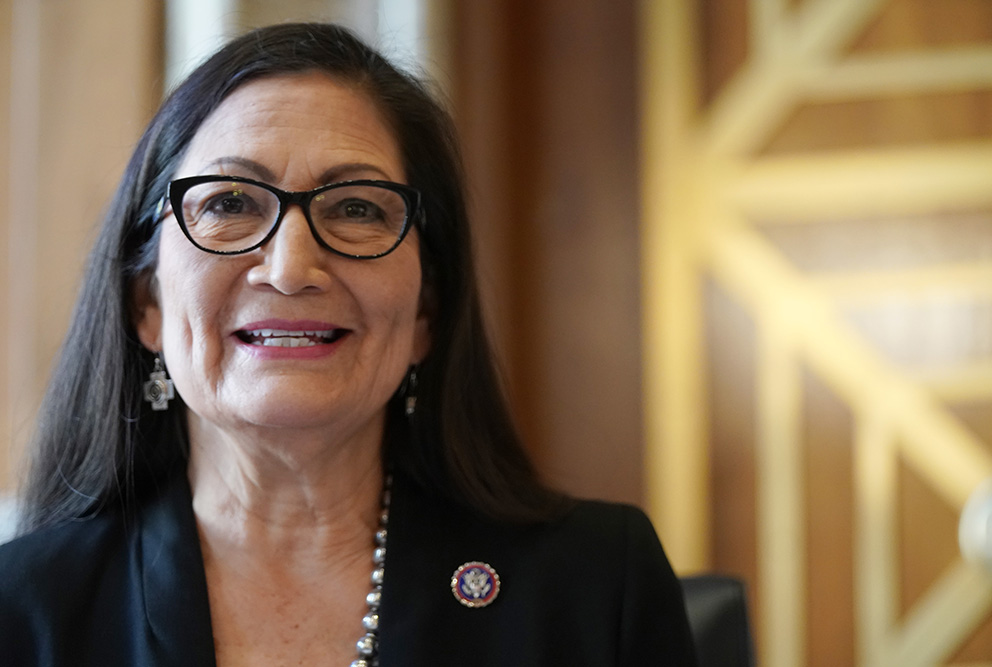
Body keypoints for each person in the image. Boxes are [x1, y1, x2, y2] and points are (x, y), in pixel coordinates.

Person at [0, 23, 697, 666]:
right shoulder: (25, 611)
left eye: (357, 208)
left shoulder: (596, 587)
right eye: (229, 203)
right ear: (147, 302)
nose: (290, 268)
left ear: (426, 308)